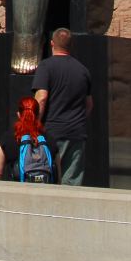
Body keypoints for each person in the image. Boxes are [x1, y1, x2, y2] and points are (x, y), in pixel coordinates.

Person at [30, 28, 92, 185]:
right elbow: (89, 104)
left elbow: (41, 98)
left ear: (52, 43)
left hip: (52, 132)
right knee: (71, 182)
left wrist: (34, 125)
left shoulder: (46, 66)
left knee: (47, 177)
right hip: (76, 133)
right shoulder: (83, 70)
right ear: (71, 45)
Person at [0, 95, 56, 182]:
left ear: (19, 114)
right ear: (38, 115)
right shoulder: (49, 140)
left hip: (17, 189)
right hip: (45, 189)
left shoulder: (7, 139)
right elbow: (58, 176)